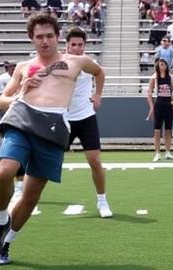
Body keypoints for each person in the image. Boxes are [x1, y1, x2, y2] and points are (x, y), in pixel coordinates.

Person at [0, 11, 103, 266]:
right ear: (32, 39)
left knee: (30, 196)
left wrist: (97, 96)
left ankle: (6, 245)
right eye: (39, 37)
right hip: (23, 119)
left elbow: (99, 72)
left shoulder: (77, 62)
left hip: (55, 127)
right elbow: (2, 100)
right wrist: (21, 91)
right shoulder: (23, 68)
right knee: (5, 171)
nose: (45, 41)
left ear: (58, 36)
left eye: (50, 35)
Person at [65, 27, 111, 216]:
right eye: (73, 44)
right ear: (67, 45)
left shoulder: (89, 62)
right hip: (63, 119)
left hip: (86, 117)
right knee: (43, 159)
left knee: (94, 160)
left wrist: (98, 95)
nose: (76, 48)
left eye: (80, 45)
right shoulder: (60, 62)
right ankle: (22, 192)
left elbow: (100, 73)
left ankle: (102, 201)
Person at [146, 57, 173, 160]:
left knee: (168, 129)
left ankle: (167, 151)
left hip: (168, 105)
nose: (161, 65)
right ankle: (157, 152)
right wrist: (151, 107)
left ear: (166, 66)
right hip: (159, 104)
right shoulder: (154, 77)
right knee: (157, 130)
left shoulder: (171, 77)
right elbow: (149, 92)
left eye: (163, 63)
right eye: (160, 64)